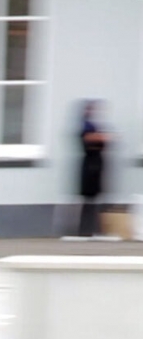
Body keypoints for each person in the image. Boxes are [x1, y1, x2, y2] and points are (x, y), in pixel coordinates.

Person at [76, 99, 111, 237]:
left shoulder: (91, 125)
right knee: (89, 200)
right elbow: (91, 138)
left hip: (95, 165)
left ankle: (92, 228)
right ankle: (86, 230)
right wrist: (102, 138)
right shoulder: (86, 125)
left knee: (93, 199)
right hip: (91, 166)